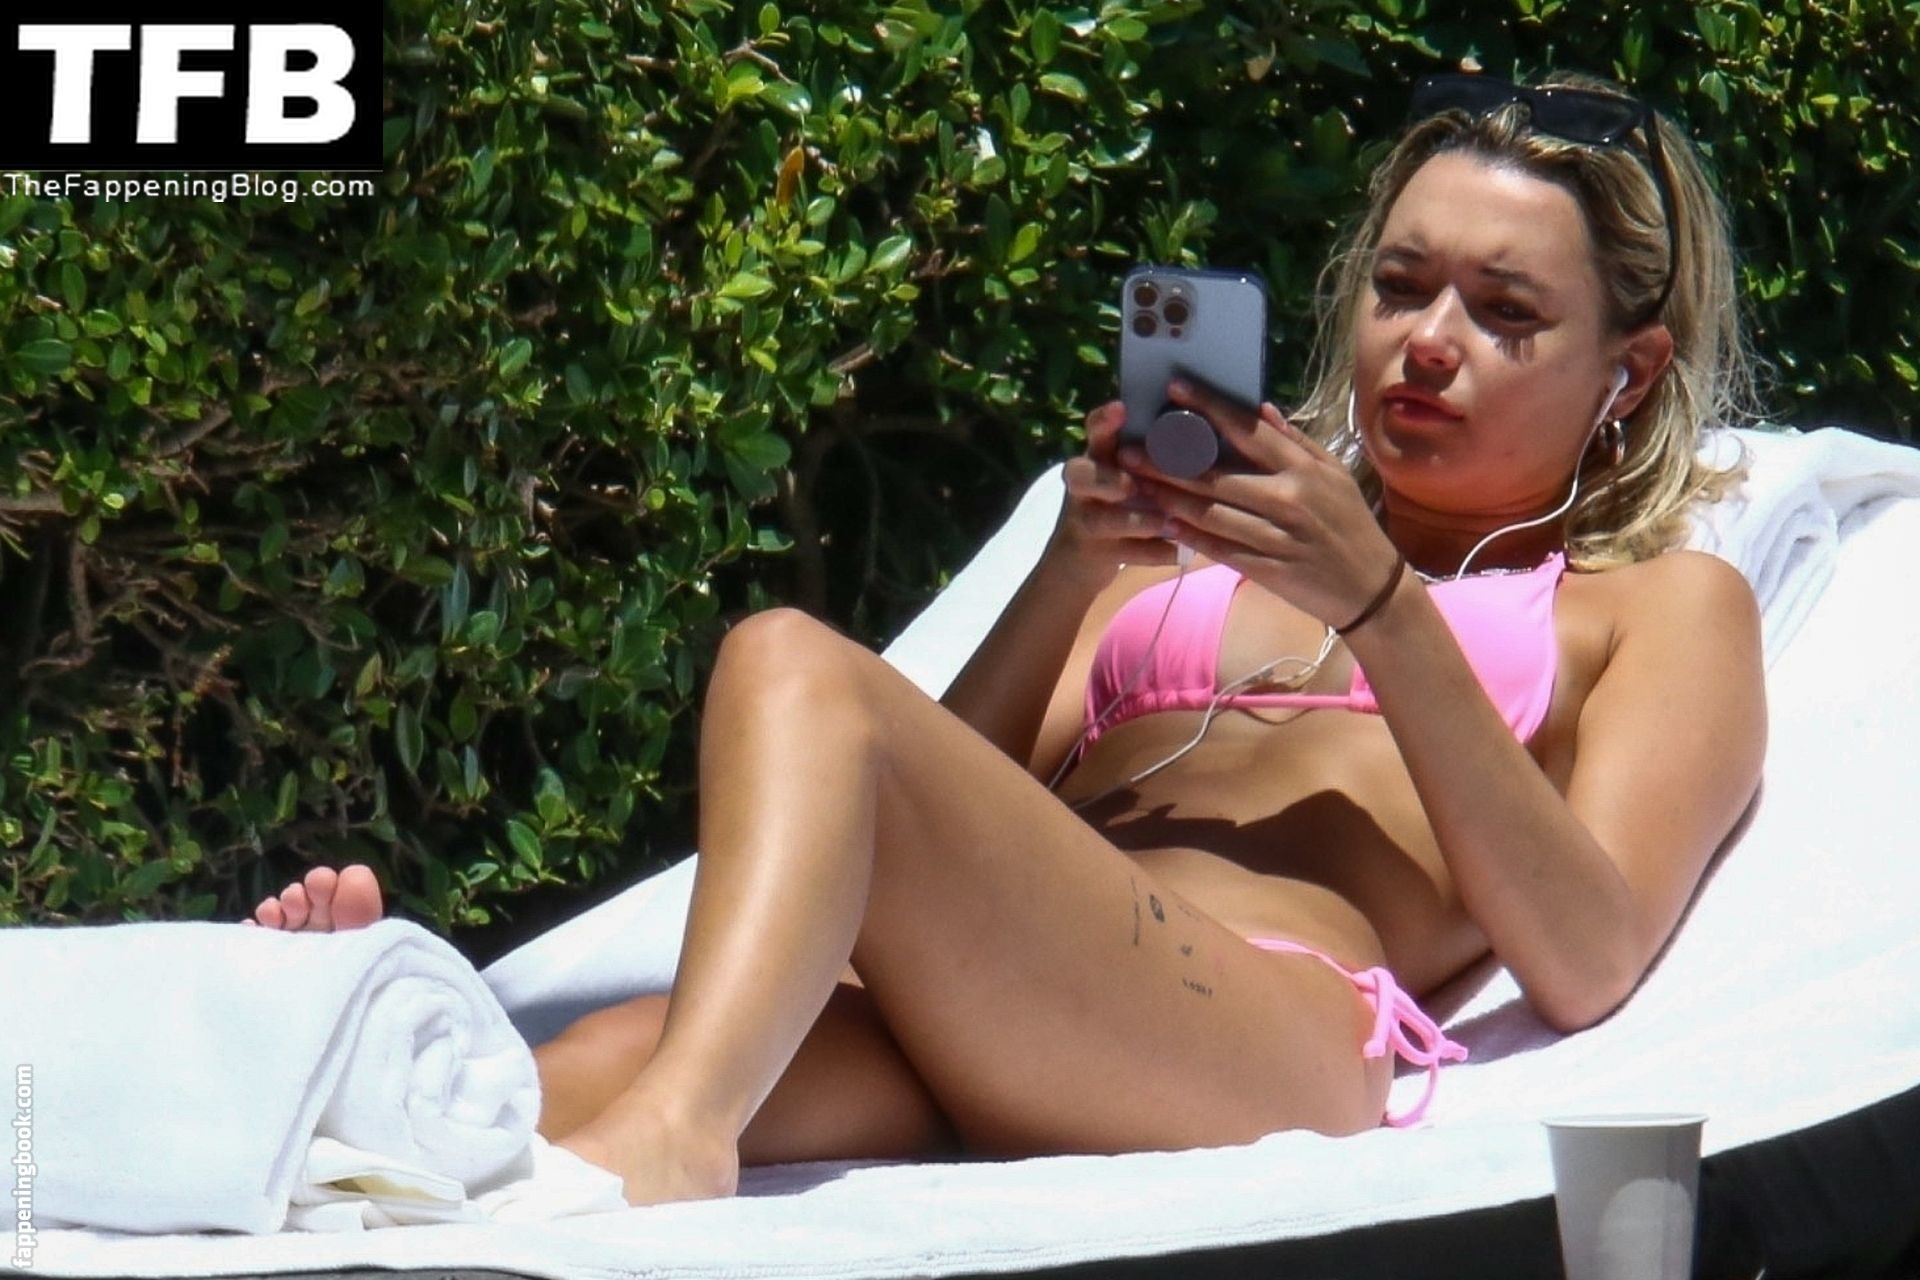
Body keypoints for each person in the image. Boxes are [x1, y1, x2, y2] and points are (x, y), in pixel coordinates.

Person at [246, 69, 1769, 1208]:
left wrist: (1382, 606)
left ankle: (680, 1138)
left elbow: (1588, 956)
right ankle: (341, 1052)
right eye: (1401, 285)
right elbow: (897, 810)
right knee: (507, 1104)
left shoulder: (1655, 607)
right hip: (1017, 1009)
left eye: (1506, 311)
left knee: (787, 661)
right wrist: (1068, 572)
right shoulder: (1183, 558)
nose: (1429, 341)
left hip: (1260, 1027)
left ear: (1629, 372)